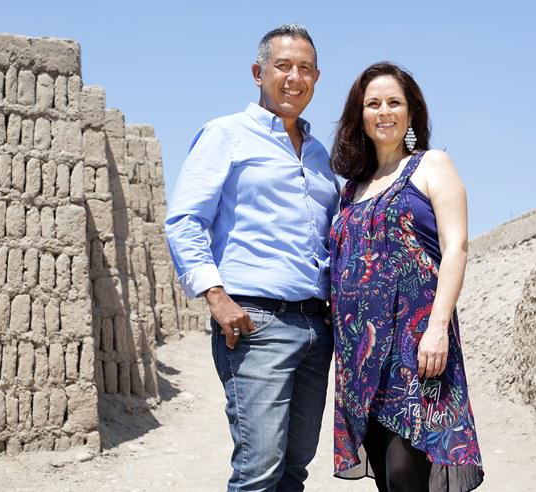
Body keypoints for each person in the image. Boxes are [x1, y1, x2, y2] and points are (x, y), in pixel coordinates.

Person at [164, 24, 338, 492]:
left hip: (315, 329)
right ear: (259, 72)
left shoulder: (321, 156)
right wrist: (215, 296)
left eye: (304, 68)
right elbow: (184, 220)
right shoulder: (226, 134)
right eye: (283, 66)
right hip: (255, 322)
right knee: (258, 472)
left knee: (293, 470)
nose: (294, 78)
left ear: (316, 77)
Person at [329, 62, 485, 492]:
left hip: (417, 348)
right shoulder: (352, 188)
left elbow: (457, 247)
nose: (384, 111)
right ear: (359, 115)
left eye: (394, 102)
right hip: (361, 359)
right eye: (373, 103)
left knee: (405, 474)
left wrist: (438, 328)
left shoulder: (432, 165)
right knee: (385, 471)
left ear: (411, 112)